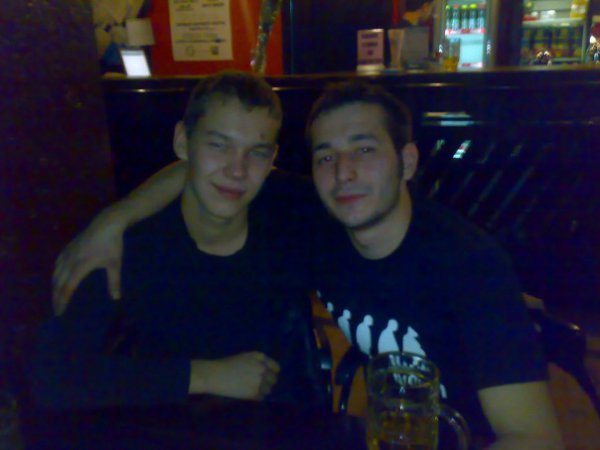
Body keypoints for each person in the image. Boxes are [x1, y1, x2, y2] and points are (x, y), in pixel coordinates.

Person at [51, 80, 563, 448]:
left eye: (364, 149)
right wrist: (114, 220)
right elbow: (210, 177)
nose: (344, 173)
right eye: (326, 156)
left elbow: (536, 437)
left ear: (407, 161)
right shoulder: (314, 222)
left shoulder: (470, 265)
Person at [29, 71, 324, 410]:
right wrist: (202, 375)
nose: (237, 170)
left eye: (256, 153)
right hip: (165, 431)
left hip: (281, 427)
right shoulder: (128, 248)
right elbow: (51, 376)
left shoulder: (290, 219)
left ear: (272, 159)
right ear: (182, 142)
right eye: (218, 145)